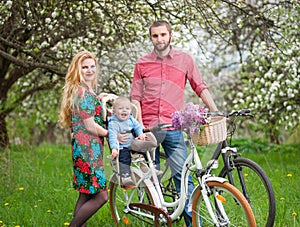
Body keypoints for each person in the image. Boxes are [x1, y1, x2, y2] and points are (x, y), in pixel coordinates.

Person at [130, 20, 218, 227]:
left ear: (170, 35)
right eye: (155, 36)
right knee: (152, 181)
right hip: (149, 129)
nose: (159, 39)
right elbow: (135, 97)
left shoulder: (184, 60)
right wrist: (139, 126)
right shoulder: (142, 63)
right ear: (150, 37)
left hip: (172, 128)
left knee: (183, 178)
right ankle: (158, 219)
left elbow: (200, 87)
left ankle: (192, 223)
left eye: (163, 35)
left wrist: (215, 111)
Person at [59, 50, 108, 227]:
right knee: (102, 195)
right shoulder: (82, 92)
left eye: (92, 66)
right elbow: (90, 126)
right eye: (84, 67)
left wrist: (99, 99)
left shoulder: (84, 91)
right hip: (87, 150)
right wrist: (110, 133)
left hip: (85, 148)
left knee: (86, 193)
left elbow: (89, 114)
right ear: (78, 69)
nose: (89, 70)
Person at [107, 96, 146, 188]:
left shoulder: (131, 119)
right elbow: (112, 136)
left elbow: (137, 127)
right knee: (124, 158)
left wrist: (140, 134)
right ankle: (125, 176)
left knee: (144, 150)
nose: (124, 111)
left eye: (127, 109)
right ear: (114, 111)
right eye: (120, 108)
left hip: (132, 144)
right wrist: (114, 149)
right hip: (122, 146)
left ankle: (147, 169)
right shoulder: (113, 123)